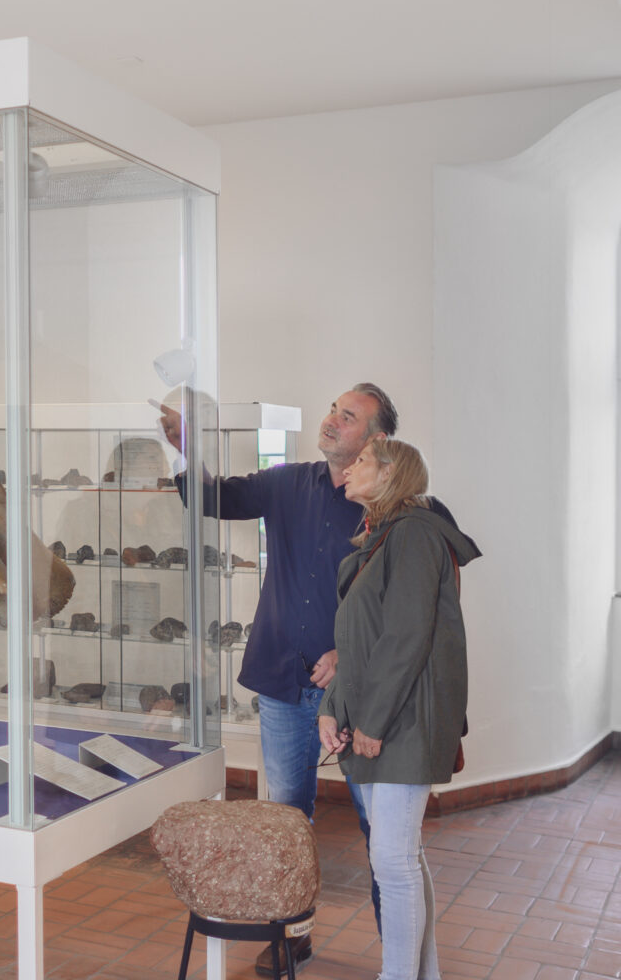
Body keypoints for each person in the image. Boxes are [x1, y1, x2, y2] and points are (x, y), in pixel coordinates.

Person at [160, 383, 396, 976]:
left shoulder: (391, 506)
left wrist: (349, 651)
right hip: (284, 684)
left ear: (376, 439)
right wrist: (184, 450)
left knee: (379, 824)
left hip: (358, 693)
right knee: (286, 819)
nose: (332, 421)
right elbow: (213, 499)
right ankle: (293, 934)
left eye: (348, 417)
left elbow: (399, 603)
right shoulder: (290, 481)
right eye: (333, 410)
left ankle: (399, 942)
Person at [319, 436, 477, 980]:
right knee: (401, 857)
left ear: (390, 474)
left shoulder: (413, 534)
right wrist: (333, 706)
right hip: (382, 717)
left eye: (361, 461)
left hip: (403, 719)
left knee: (392, 862)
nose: (349, 469)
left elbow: (406, 636)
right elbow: (358, 638)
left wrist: (372, 720)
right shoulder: (381, 537)